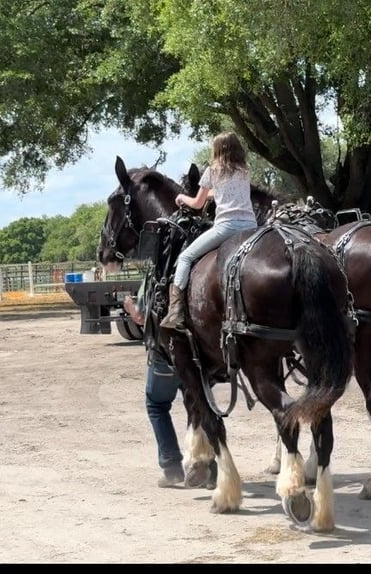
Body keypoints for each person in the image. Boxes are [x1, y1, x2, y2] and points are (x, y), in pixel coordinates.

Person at [160, 132, 258, 331]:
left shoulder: (212, 171)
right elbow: (227, 190)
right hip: (251, 226)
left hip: (227, 227)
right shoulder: (245, 170)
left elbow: (197, 203)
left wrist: (181, 198)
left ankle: (176, 310)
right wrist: (214, 194)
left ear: (217, 150)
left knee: (186, 257)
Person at [123, 288, 217, 489]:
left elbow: (140, 316)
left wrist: (130, 305)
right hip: (198, 360)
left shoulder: (161, 273)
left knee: (156, 404)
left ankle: (171, 466)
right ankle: (208, 466)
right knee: (199, 406)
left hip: (166, 359)